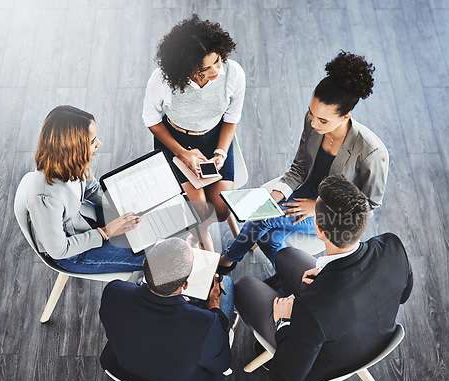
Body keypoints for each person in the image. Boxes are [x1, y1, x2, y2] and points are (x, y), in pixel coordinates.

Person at [234, 175, 413, 381]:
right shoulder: (392, 246)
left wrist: (283, 321)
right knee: (286, 255)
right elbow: (404, 295)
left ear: (319, 230)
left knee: (244, 286)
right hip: (376, 333)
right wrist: (327, 274)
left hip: (325, 361)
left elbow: (290, 374)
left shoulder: (313, 309)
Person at [218, 50, 388, 271]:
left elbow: (369, 206)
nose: (314, 124)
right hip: (306, 192)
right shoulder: (313, 123)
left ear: (346, 116)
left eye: (323, 120)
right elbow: (299, 167)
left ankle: (228, 261)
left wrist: (318, 207)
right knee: (270, 237)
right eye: (311, 113)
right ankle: (290, 276)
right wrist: (277, 193)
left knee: (263, 219)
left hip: (335, 214)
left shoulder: (371, 151)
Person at [142, 14, 246, 250]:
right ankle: (201, 236)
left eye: (218, 61)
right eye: (204, 69)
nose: (215, 72)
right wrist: (181, 153)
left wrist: (221, 151)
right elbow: (151, 120)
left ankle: (200, 232)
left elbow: (231, 118)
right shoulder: (161, 81)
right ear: (185, 67)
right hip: (175, 141)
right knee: (199, 207)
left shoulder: (234, 74)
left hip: (214, 138)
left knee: (221, 209)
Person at [99, 238, 234, 381]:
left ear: (144, 263)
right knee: (226, 282)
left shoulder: (115, 291)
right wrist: (214, 306)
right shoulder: (206, 323)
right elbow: (222, 364)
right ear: (185, 284)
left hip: (123, 369)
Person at [27, 105, 144, 273]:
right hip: (73, 253)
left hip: (87, 222)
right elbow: (59, 250)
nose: (99, 144)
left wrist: (120, 207)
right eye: (92, 141)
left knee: (146, 231)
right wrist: (107, 231)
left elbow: (92, 189)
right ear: (71, 147)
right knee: (150, 256)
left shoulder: (74, 163)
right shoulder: (45, 197)